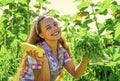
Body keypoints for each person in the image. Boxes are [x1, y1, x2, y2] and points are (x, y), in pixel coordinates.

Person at [14, 14, 90, 81]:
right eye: (48, 28)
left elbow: (75, 73)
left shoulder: (61, 51)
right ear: (41, 35)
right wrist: (44, 61)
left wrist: (86, 57)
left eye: (55, 24)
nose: (54, 28)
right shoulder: (36, 51)